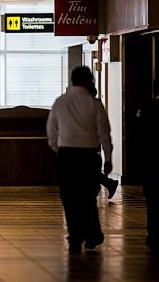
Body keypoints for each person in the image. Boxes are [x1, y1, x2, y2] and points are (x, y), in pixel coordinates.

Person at [47, 66, 113, 254]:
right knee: (87, 198)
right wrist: (108, 158)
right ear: (89, 81)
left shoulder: (60, 102)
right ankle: (92, 235)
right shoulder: (94, 103)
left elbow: (51, 129)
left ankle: (75, 237)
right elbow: (104, 133)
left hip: (67, 156)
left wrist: (57, 148)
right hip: (89, 157)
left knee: (69, 198)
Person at [136, 79, 159, 253]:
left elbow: (140, 137)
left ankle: (154, 235)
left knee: (152, 201)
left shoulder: (147, 109)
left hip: (152, 162)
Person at [86, 83, 119, 199]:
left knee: (89, 171)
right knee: (91, 170)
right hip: (93, 144)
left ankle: (110, 184)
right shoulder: (95, 106)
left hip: (90, 144)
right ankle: (110, 184)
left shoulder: (90, 107)